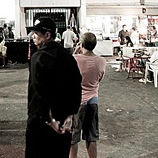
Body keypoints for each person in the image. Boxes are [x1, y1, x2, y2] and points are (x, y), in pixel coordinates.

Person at [25, 17, 82, 158]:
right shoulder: (67, 56)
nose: (33, 36)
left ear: (47, 35)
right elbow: (76, 85)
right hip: (63, 121)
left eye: (36, 33)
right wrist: (71, 114)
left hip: (41, 121)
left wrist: (49, 119)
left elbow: (40, 91)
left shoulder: (38, 57)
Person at [70, 32, 106, 158]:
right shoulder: (101, 60)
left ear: (81, 44)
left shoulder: (74, 59)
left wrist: (75, 51)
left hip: (77, 102)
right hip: (93, 101)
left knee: (73, 138)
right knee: (91, 137)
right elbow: (99, 79)